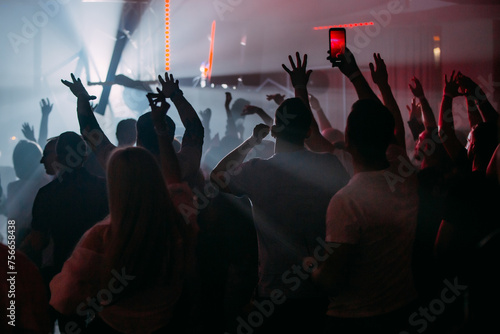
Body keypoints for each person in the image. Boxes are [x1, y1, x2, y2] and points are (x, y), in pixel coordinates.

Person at [211, 52, 350, 334]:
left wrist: (252, 141)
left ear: (274, 130)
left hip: (275, 290)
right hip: (321, 286)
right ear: (308, 130)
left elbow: (217, 177)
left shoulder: (257, 171)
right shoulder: (329, 166)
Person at [49, 92, 196, 334]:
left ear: (113, 185)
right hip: (167, 323)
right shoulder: (179, 218)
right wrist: (162, 129)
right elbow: (174, 181)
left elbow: (62, 299)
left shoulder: (100, 238)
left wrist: (83, 103)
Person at [311, 49, 419, 334]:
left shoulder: (347, 201)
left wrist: (310, 265)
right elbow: (386, 124)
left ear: (347, 140)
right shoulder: (405, 176)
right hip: (403, 309)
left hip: (355, 321)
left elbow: (331, 280)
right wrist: (357, 76)